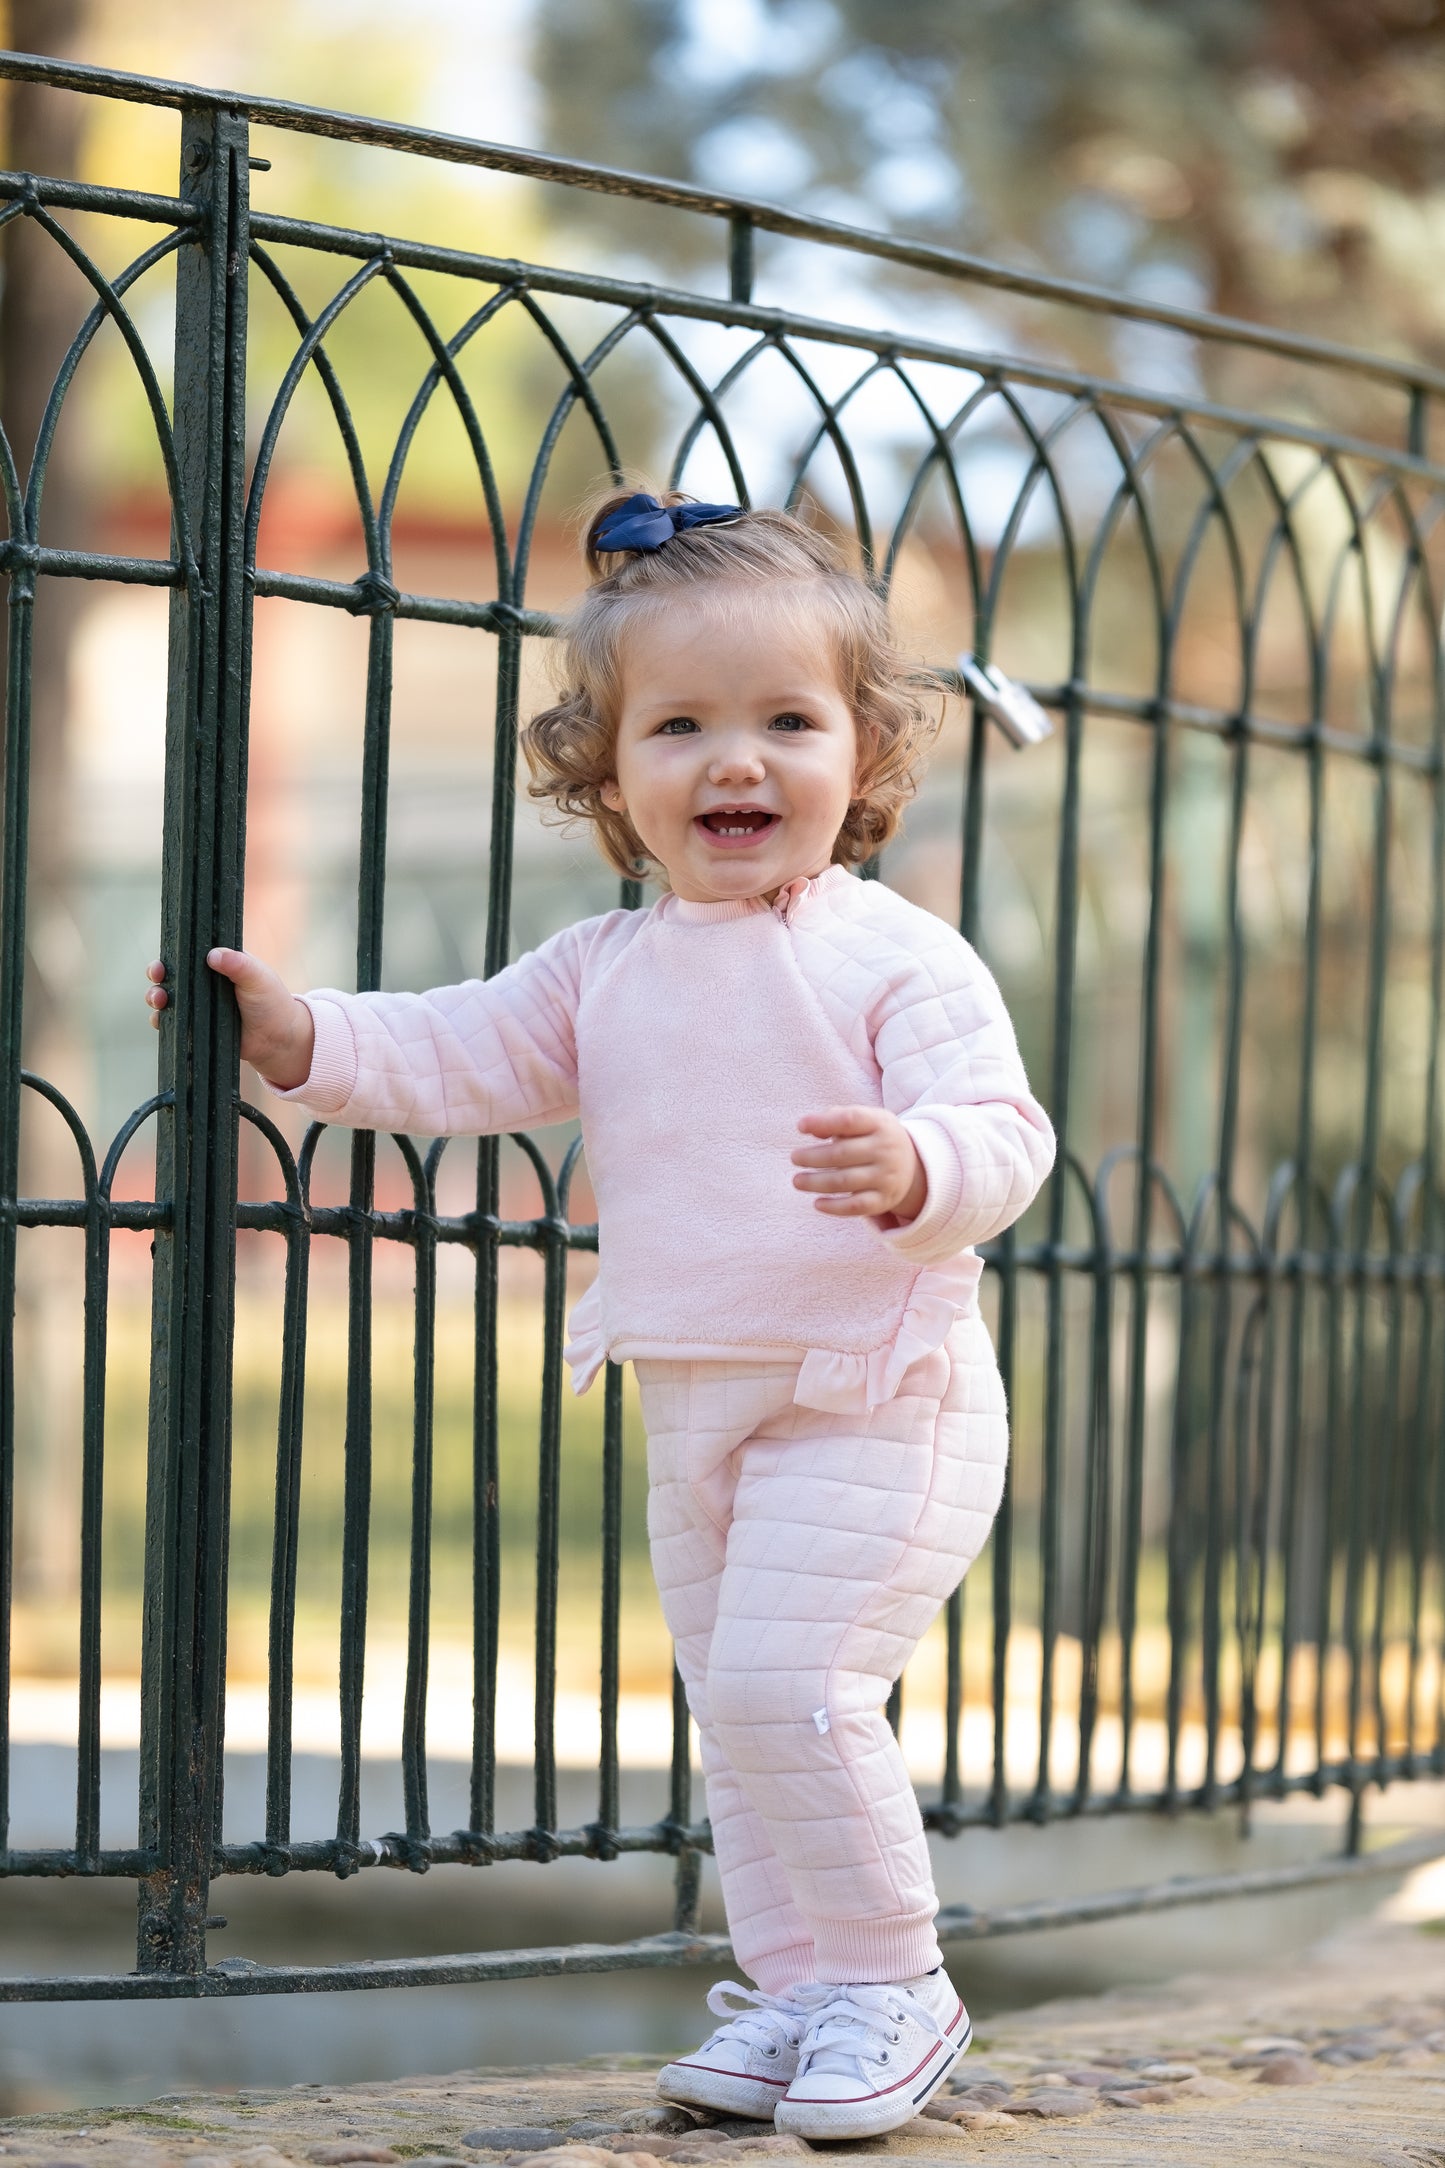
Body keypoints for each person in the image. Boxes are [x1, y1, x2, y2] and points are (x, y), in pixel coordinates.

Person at [143, 488, 1054, 2141]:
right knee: (737, 1706)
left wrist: (919, 1161)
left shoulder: (893, 961)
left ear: (860, 756)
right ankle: (798, 1991)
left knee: (792, 1684)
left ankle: (892, 1985)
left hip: (878, 1391)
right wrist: (298, 1037)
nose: (737, 762)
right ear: (608, 772)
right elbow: (452, 1050)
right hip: (692, 1400)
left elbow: (1007, 1135)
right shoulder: (603, 970)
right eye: (682, 725)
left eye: (788, 720)